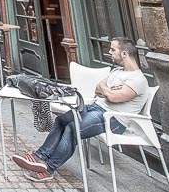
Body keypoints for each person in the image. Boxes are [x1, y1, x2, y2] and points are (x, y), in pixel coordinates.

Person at [12, 37, 148, 182]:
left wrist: (108, 90)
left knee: (72, 128)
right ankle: (40, 156)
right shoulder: (117, 71)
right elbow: (98, 89)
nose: (109, 52)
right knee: (61, 121)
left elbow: (113, 97)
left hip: (114, 119)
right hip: (96, 107)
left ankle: (48, 169)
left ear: (124, 54)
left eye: (113, 50)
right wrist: (107, 89)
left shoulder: (137, 80)